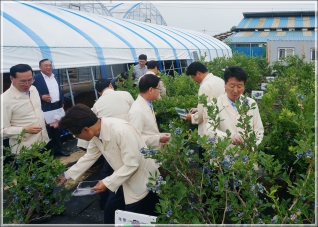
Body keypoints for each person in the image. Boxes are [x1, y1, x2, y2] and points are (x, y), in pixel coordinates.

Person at [57, 104, 160, 223]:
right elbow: (90, 156)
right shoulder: (96, 132)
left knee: (133, 219)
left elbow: (132, 164)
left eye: (76, 135)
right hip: (122, 179)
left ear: (86, 129)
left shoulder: (121, 131)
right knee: (110, 212)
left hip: (141, 182)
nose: (77, 138)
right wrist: (67, 175)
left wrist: (106, 183)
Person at [76, 78, 134, 217]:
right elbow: (133, 113)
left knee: (109, 170)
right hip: (130, 138)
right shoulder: (126, 94)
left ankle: (104, 201)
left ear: (98, 92)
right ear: (111, 85)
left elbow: (92, 125)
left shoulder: (97, 105)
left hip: (109, 142)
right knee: (126, 170)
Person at [206, 66, 264, 145]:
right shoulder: (214, 105)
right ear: (225, 84)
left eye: (239, 86)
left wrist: (253, 147)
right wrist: (229, 136)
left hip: (247, 154)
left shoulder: (251, 104)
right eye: (232, 86)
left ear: (244, 86)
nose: (236, 90)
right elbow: (210, 130)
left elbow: (259, 130)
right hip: (224, 154)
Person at [2, 64, 50, 154]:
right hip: (25, 150)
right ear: (12, 79)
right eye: (23, 82)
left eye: (30, 80)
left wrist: (46, 118)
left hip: (44, 141)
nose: (27, 84)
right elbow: (2, 130)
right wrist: (24, 130)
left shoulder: (33, 89)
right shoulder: (4, 100)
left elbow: (38, 110)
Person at [33, 59, 69, 156]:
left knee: (57, 129)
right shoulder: (36, 79)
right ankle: (49, 153)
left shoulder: (55, 77)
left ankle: (58, 149)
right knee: (47, 131)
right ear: (40, 67)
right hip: (45, 107)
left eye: (50, 65)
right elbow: (30, 93)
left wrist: (62, 101)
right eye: (46, 65)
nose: (49, 67)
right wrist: (41, 97)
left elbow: (59, 90)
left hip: (57, 106)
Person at [128, 74, 170, 150]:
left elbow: (148, 131)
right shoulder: (137, 111)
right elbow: (134, 138)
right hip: (147, 156)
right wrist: (158, 139)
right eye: (158, 88)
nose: (159, 92)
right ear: (151, 90)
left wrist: (160, 136)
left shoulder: (147, 103)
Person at [185, 62, 225, 136]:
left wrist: (191, 117)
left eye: (193, 77)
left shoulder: (205, 86)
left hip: (212, 126)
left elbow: (201, 114)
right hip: (223, 122)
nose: (194, 80)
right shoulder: (220, 80)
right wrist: (198, 109)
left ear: (198, 73)